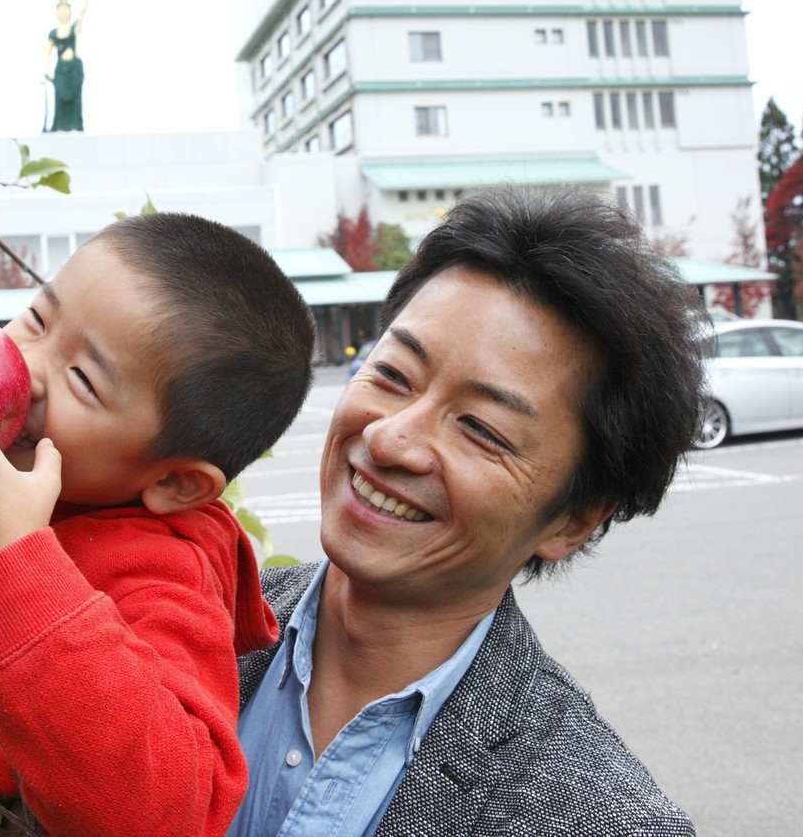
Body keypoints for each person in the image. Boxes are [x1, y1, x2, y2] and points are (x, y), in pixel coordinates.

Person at [231, 190, 705, 836]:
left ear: (571, 521)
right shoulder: (180, 624)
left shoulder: (595, 818)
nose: (388, 438)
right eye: (393, 375)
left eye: (481, 429)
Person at [0, 212, 316, 835]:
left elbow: (172, 808)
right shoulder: (7, 490)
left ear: (174, 482)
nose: (28, 368)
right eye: (39, 319)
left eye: (83, 379)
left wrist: (5, 560)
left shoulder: (161, 575)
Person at [43, 0, 93, 132]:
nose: (64, 12)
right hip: (61, 72)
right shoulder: (53, 33)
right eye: (61, 9)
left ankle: (74, 127)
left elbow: (84, 9)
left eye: (66, 9)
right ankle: (60, 127)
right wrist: (43, 73)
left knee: (75, 104)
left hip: (74, 70)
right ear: (57, 12)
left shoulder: (74, 28)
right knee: (60, 103)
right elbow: (47, 52)